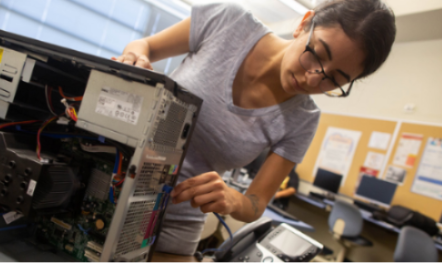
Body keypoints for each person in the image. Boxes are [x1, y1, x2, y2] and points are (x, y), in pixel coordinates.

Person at [112, 0, 396, 255]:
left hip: (174, 226)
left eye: (335, 80)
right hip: (113, 177)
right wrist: (134, 60)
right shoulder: (229, 21)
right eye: (317, 54)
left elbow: (256, 203)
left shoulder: (304, 119)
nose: (312, 80)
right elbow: (144, 46)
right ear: (303, 23)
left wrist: (235, 200)